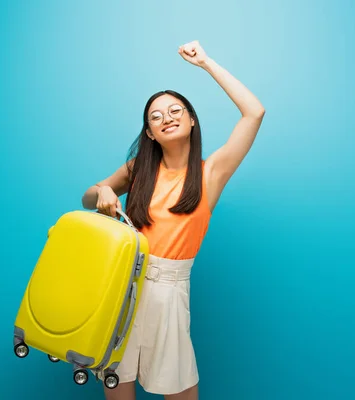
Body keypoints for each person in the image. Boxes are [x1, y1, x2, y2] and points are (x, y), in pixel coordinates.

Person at [81, 40, 265, 400]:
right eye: (156, 115)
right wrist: (102, 190)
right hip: (120, 284)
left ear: (192, 119)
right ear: (149, 132)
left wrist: (207, 63)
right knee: (116, 378)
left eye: (176, 110)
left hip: (169, 289)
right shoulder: (138, 170)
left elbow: (254, 113)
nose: (167, 117)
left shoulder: (211, 173)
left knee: (179, 386)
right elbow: (87, 198)